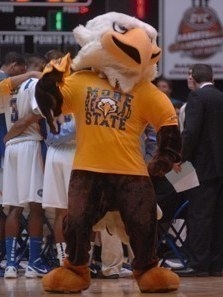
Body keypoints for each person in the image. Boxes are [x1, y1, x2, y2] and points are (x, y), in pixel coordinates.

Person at [35, 12, 182, 294]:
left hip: (132, 173)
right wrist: (49, 80)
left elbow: (168, 121)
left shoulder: (143, 89)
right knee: (77, 221)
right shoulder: (80, 81)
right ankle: (76, 267)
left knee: (143, 222)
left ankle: (148, 267)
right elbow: (51, 107)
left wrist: (165, 156)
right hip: (88, 170)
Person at [2, 54, 51, 278]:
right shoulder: (35, 83)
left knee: (14, 207)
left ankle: (10, 264)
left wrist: (9, 135)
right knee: (36, 207)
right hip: (29, 144)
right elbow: (35, 114)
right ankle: (33, 262)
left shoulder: (7, 87)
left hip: (11, 149)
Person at [175, 64, 223, 277]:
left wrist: (179, 159)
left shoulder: (196, 98)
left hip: (200, 168)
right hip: (220, 168)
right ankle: (216, 264)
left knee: (199, 216)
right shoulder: (221, 97)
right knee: (218, 217)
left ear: (192, 77)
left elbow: (191, 133)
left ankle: (198, 264)